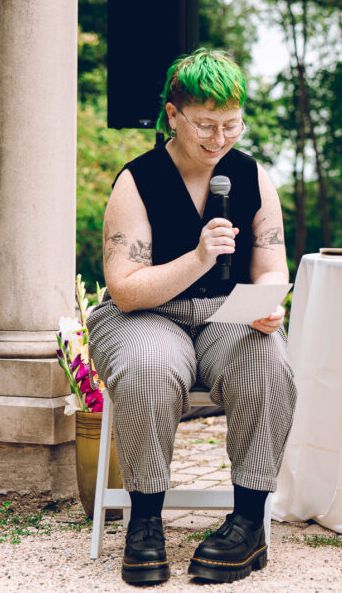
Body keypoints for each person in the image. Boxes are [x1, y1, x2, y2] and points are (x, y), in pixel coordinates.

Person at [87, 48, 296, 586]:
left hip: (228, 316)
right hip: (144, 316)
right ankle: (146, 525)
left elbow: (272, 267)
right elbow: (126, 289)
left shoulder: (252, 177)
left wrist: (268, 303)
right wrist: (199, 257)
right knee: (149, 363)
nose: (219, 139)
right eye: (205, 124)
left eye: (232, 125)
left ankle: (248, 523)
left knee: (267, 355)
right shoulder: (136, 180)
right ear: (173, 113)